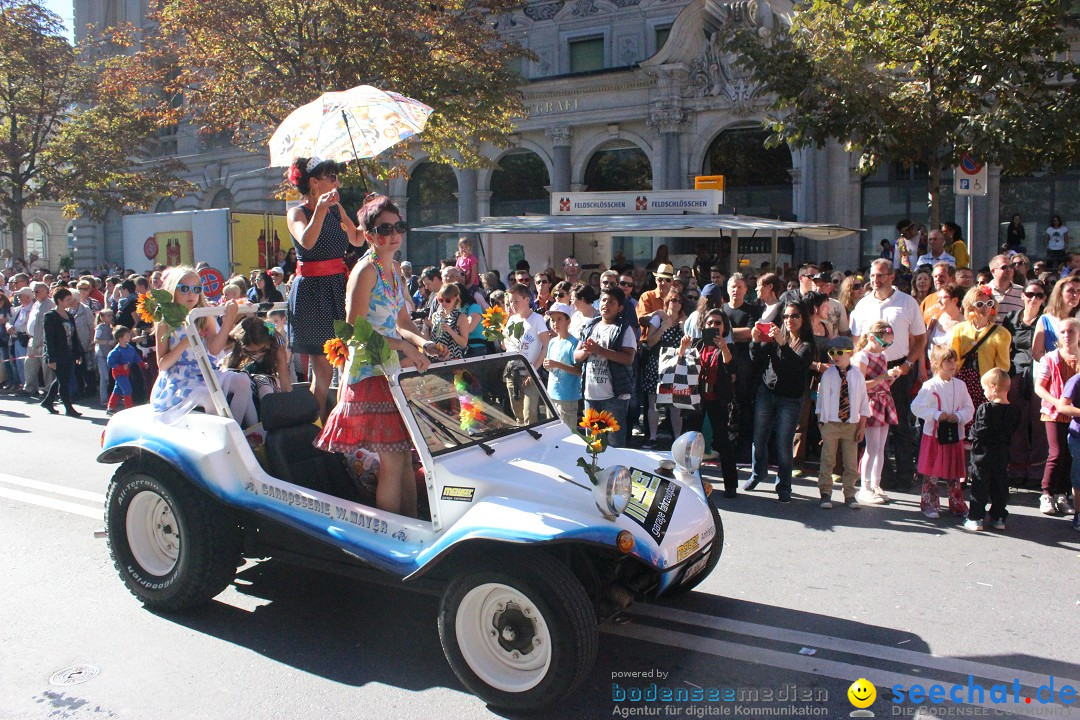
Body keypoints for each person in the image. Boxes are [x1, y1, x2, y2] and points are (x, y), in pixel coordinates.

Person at [315, 195, 432, 518]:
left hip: (391, 371)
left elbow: (403, 322)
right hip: (369, 374)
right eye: (384, 229)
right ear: (367, 235)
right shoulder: (365, 271)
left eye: (398, 227)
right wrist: (406, 347)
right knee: (393, 462)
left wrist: (423, 343)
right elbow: (353, 330)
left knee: (405, 459)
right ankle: (392, 534)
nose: (393, 234)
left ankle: (411, 526)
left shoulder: (394, 269)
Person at [285, 156, 363, 422]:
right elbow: (307, 241)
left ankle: (336, 423)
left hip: (338, 287)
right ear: (314, 182)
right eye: (331, 176)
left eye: (336, 176)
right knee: (324, 370)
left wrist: (368, 213)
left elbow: (357, 238)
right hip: (312, 291)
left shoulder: (335, 209)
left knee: (346, 361)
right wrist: (319, 209)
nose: (337, 182)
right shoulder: (297, 212)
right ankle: (316, 426)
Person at [848, 259, 927, 491]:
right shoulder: (863, 304)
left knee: (900, 424)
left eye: (880, 275)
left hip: (898, 367)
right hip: (870, 368)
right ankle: (876, 480)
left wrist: (908, 364)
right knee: (871, 424)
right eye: (872, 275)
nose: (875, 280)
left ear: (892, 277)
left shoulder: (907, 302)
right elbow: (856, 340)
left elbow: (921, 338)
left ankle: (904, 476)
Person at [149, 267, 251, 424]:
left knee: (243, 381)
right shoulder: (164, 322)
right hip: (179, 378)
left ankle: (238, 433)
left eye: (196, 289)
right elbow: (163, 364)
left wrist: (229, 319)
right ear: (172, 290)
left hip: (205, 371)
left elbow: (214, 349)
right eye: (184, 289)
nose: (191, 294)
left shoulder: (203, 316)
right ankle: (223, 436)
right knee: (209, 396)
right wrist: (184, 344)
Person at [742, 301, 816, 503]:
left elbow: (795, 367)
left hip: (790, 398)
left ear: (803, 319)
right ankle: (758, 473)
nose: (789, 320)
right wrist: (756, 342)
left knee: (784, 444)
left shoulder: (807, 344)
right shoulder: (775, 335)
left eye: (794, 316)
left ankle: (784, 485)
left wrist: (783, 344)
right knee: (759, 438)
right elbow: (756, 359)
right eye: (785, 316)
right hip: (767, 392)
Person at [911, 345, 974, 519]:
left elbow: (969, 408)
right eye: (948, 361)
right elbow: (916, 407)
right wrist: (936, 415)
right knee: (931, 472)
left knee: (954, 473)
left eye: (954, 361)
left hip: (954, 435)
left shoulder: (960, 385)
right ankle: (929, 504)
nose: (952, 364)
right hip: (934, 435)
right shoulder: (930, 385)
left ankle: (957, 504)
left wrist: (959, 416)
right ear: (937, 363)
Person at [575, 287, 637, 448]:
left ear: (620, 308)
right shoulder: (590, 326)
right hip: (591, 395)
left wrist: (600, 350)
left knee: (614, 445)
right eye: (603, 300)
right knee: (595, 445)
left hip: (614, 397)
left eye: (612, 302)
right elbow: (576, 356)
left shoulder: (624, 329)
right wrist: (587, 351)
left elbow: (628, 358)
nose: (606, 305)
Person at [1033, 316, 1080, 517]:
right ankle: (1046, 493)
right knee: (1057, 452)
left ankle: (1062, 493)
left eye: (1071, 331)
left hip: (1075, 415)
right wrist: (1057, 403)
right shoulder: (1051, 358)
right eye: (1063, 332)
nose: (1066, 335)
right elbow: (1039, 388)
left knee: (1071, 455)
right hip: (1053, 413)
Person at [947, 286, 1011, 434]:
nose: (986, 308)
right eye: (980, 304)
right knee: (961, 422)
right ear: (970, 307)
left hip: (986, 385)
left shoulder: (1002, 333)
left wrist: (995, 388)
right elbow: (953, 358)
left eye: (989, 304)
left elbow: (1003, 366)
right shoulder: (959, 329)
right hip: (962, 381)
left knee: (983, 424)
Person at [816, 336, 870, 509]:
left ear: (850, 353)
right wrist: (821, 425)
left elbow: (863, 403)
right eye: (832, 353)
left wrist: (861, 426)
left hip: (851, 424)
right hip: (831, 422)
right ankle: (825, 493)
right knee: (828, 460)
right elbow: (821, 402)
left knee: (851, 462)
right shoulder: (828, 375)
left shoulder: (858, 376)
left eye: (839, 352)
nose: (835, 356)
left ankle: (849, 494)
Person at [1003, 280, 1048, 486]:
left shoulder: (1046, 321)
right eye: (1030, 294)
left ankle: (1037, 470)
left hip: (1041, 376)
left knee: (1039, 425)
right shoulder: (1011, 319)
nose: (1033, 299)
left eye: (1039, 295)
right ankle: (1017, 468)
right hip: (1016, 374)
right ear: (1022, 296)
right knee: (1017, 423)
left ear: (1044, 299)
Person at [964, 369, 1020, 532]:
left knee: (980, 486)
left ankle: (976, 518)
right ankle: (998, 517)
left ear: (994, 387)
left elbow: (979, 431)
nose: (984, 392)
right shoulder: (1014, 411)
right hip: (1002, 454)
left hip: (983, 455)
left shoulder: (985, 408)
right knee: (1000, 487)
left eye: (985, 388)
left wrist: (971, 433)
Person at [852, 321, 901, 504]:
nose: (886, 347)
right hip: (870, 403)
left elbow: (884, 384)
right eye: (884, 343)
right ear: (872, 338)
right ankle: (864, 487)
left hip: (884, 400)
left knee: (881, 447)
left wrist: (891, 378)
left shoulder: (882, 356)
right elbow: (858, 384)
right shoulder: (862, 357)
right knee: (871, 448)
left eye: (889, 344)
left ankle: (876, 484)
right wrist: (882, 377)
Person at [643, 288, 687, 449]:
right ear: (667, 301)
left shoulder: (684, 321)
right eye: (672, 300)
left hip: (677, 365)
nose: (675, 304)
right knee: (653, 402)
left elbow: (690, 343)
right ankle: (653, 437)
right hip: (657, 363)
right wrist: (663, 328)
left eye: (679, 301)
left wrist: (682, 327)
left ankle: (677, 439)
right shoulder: (658, 319)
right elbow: (650, 342)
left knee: (676, 405)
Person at [503, 283, 551, 425]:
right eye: (510, 302)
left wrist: (533, 370)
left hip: (530, 372)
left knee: (530, 414)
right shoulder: (512, 320)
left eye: (516, 301)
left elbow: (546, 345)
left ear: (526, 299)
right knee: (518, 414)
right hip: (513, 371)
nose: (513, 305)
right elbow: (506, 345)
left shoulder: (537, 319)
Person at [39, 287, 84, 417]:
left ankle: (48, 401)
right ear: (59, 300)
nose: (70, 302)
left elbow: (74, 336)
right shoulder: (50, 316)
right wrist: (51, 358)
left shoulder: (69, 315)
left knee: (61, 379)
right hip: (57, 354)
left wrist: (77, 353)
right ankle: (68, 407)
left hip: (68, 353)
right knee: (64, 381)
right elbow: (48, 339)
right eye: (67, 299)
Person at [542, 302, 581, 429]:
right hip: (551, 393)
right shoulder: (552, 342)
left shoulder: (574, 343)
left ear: (568, 321)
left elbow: (578, 371)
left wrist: (557, 364)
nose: (555, 323)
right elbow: (550, 365)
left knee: (567, 431)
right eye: (552, 320)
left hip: (567, 396)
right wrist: (548, 366)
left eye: (560, 319)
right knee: (552, 431)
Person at [1031, 275, 1080, 361]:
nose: (1075, 295)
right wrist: (1055, 366)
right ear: (1060, 294)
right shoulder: (1045, 320)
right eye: (1070, 291)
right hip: (1053, 370)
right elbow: (1037, 353)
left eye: (1079, 291)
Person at [106, 326, 142, 414]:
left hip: (126, 372)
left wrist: (142, 364)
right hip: (118, 373)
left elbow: (135, 357)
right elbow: (110, 362)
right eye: (127, 336)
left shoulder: (130, 348)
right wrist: (121, 367)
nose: (129, 337)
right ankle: (129, 410)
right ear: (120, 339)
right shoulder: (116, 351)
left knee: (117, 390)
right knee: (127, 390)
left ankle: (110, 408)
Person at [428, 283, 468, 360]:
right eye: (441, 300)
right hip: (435, 359)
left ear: (456, 298)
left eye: (448, 300)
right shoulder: (435, 315)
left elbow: (464, 343)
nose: (444, 303)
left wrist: (450, 331)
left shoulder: (461, 317)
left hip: (452, 358)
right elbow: (432, 337)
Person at [986, 254, 1024, 322]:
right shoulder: (983, 291)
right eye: (1004, 267)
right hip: (991, 331)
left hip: (1013, 332)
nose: (1009, 269)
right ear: (993, 271)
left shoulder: (1022, 292)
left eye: (1011, 266)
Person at [93, 309, 116, 405]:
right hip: (102, 354)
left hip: (109, 354)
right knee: (104, 377)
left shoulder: (111, 328)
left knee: (110, 377)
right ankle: (104, 399)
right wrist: (107, 342)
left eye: (111, 315)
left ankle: (111, 398)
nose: (110, 317)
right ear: (102, 317)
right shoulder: (100, 327)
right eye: (108, 316)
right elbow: (96, 340)